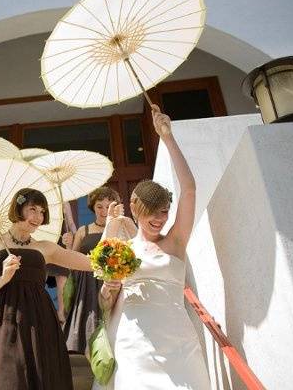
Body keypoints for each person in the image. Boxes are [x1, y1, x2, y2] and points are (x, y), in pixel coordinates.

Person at [94, 105, 211, 389]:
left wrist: (168, 138)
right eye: (153, 211)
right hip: (133, 341)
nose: (160, 218)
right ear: (135, 209)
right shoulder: (121, 250)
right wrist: (108, 289)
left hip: (179, 341)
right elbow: (104, 302)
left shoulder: (175, 242)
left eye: (165, 211)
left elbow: (190, 189)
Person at [0, 188, 98, 390]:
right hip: (2, 323)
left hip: (40, 322)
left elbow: (91, 263)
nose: (38, 217)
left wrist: (120, 249)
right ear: (18, 208)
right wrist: (2, 279)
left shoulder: (46, 247)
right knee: (5, 380)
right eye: (32, 209)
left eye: (42, 211)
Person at [62, 187, 136, 357]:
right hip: (86, 286)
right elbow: (72, 261)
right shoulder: (83, 231)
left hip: (113, 282)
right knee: (89, 325)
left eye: (108, 206)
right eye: (99, 206)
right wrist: (67, 245)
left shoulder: (121, 228)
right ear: (93, 208)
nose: (104, 211)